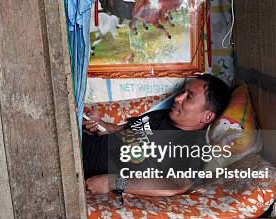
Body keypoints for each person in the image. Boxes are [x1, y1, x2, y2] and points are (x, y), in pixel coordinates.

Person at [82, 74, 231, 197]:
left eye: (189, 97)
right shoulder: (166, 115)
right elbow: (121, 130)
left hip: (84, 170)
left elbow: (175, 186)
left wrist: (111, 182)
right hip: (83, 144)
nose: (178, 99)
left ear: (207, 117)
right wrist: (102, 125)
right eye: (182, 92)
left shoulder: (193, 146)